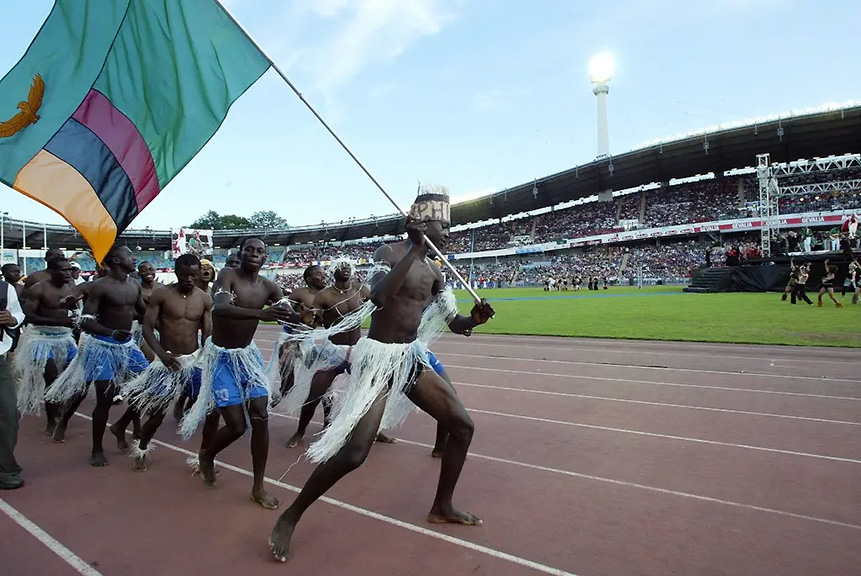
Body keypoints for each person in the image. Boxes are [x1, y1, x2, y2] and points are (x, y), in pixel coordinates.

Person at [270, 185, 495, 561]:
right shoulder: (387, 254)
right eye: (443, 226)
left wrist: (474, 319)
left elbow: (453, 321)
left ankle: (442, 506)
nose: (448, 233)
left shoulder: (435, 272)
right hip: (377, 358)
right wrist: (415, 251)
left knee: (462, 426)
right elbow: (378, 296)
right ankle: (291, 515)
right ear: (420, 224)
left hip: (409, 356)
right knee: (355, 453)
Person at [179, 237, 297, 509]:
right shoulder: (228, 275)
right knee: (236, 426)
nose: (254, 254)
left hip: (247, 357)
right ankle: (207, 454)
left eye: (260, 251)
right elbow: (220, 308)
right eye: (249, 250)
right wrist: (261, 314)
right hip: (221, 358)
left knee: (261, 414)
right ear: (241, 254)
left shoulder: (270, 286)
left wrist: (303, 315)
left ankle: (258, 487)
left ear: (266, 258)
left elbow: (288, 311)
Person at [45, 246, 149, 466]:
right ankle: (96, 447)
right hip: (101, 345)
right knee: (104, 396)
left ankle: (121, 426)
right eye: (129, 256)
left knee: (147, 386)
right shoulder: (99, 287)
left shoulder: (134, 285)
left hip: (126, 344)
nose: (134, 259)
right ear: (117, 261)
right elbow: (85, 321)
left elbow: (144, 313)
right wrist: (111, 332)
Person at [283, 258, 394, 448]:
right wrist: (307, 317)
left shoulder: (362, 290)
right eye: (340, 266)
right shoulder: (324, 295)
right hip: (332, 350)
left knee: (371, 392)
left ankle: (375, 430)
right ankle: (300, 431)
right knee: (316, 393)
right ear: (333, 271)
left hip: (358, 349)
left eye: (348, 266)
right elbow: (313, 320)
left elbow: (381, 307)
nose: (345, 269)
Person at [121, 254, 213, 471]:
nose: (189, 279)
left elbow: (207, 332)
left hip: (193, 361)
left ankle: (205, 458)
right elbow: (147, 327)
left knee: (211, 411)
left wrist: (208, 355)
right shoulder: (162, 294)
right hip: (166, 361)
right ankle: (142, 449)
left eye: (193, 275)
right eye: (184, 275)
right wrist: (162, 354)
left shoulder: (205, 299)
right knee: (156, 415)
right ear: (176, 272)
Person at [15, 257, 78, 432]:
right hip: (41, 338)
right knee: (50, 376)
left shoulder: (71, 287)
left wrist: (76, 317)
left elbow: (73, 310)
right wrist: (59, 322)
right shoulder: (39, 288)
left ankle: (60, 408)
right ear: (52, 271)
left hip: (65, 338)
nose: (68, 273)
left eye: (69, 269)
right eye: (63, 270)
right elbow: (28, 316)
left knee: (70, 376)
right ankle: (51, 419)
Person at [0, 275, 25, 489]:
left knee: (9, 414)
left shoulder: (4, 289)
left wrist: (12, 319)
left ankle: (5, 468)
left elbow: (18, 313)